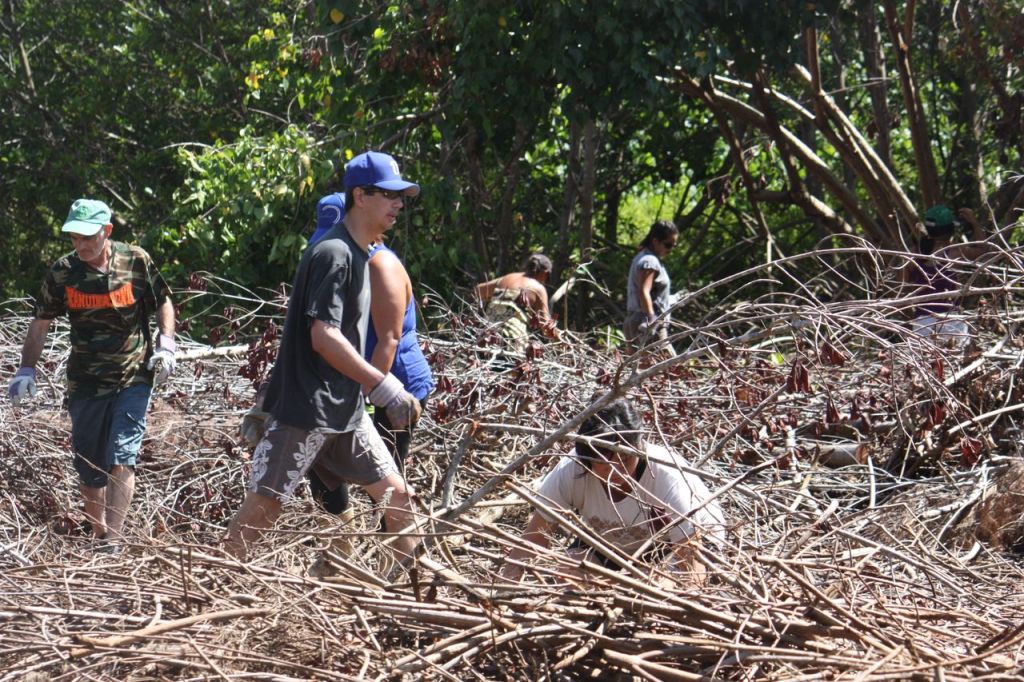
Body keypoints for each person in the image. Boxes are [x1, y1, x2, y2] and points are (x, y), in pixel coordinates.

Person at [225, 151, 424, 565]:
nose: (398, 204)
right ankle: (215, 581)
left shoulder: (361, 253)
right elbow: (323, 335)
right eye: (389, 195)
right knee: (265, 507)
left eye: (401, 197)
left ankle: (420, 587)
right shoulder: (334, 254)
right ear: (360, 196)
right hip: (307, 410)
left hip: (346, 411)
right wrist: (381, 384)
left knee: (399, 497)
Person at [7, 198, 176, 550]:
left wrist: (166, 344)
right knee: (89, 466)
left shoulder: (135, 260)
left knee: (123, 455)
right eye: (74, 237)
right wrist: (26, 369)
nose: (80, 245)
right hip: (86, 381)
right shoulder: (64, 272)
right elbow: (41, 322)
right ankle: (98, 532)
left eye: (88, 237)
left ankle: (113, 540)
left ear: (107, 231)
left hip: (132, 376)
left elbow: (162, 299)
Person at [304, 202, 435, 576]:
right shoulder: (337, 263)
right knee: (320, 464)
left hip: (395, 388)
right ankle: (339, 550)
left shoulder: (380, 266)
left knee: (386, 478)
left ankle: (397, 569)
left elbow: (388, 341)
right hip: (354, 383)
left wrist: (363, 397)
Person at [500, 397, 725, 584]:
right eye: (604, 464)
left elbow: (692, 567)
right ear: (587, 459)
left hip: (676, 547)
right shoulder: (572, 470)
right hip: (611, 545)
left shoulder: (667, 476)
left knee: (657, 587)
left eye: (625, 459)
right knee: (569, 570)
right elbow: (534, 538)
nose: (616, 471)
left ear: (638, 448)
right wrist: (505, 587)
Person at [905, 204, 988, 344]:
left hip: (922, 323)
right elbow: (984, 250)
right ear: (951, 230)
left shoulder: (913, 254)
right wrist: (974, 222)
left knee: (924, 359)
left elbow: (902, 288)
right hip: (951, 321)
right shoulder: (956, 253)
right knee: (956, 356)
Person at [476, 253, 561, 359]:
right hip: (511, 343)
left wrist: (495, 300)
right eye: (547, 278)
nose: (545, 282)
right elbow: (546, 326)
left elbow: (478, 290)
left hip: (486, 338)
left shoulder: (506, 278)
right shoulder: (538, 288)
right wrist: (560, 340)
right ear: (545, 273)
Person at [624, 220, 678, 352]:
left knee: (639, 364)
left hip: (635, 320)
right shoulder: (650, 262)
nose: (670, 250)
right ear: (655, 241)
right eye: (668, 245)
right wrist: (651, 318)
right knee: (669, 363)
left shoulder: (642, 257)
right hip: (647, 324)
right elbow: (644, 291)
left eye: (674, 246)